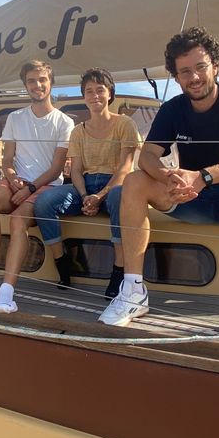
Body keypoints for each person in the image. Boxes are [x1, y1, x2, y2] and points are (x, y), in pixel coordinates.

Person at [100, 26, 219, 350]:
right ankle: (133, 291)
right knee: (134, 181)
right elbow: (148, 155)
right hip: (188, 198)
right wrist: (168, 176)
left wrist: (204, 176)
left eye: (200, 67)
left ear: (215, 66)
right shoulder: (173, 109)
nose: (194, 77)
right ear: (176, 76)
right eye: (185, 71)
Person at [0, 60, 74, 313]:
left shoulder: (64, 122)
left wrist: (30, 189)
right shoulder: (15, 118)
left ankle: (7, 291)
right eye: (31, 81)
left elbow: (56, 169)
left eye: (42, 80)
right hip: (15, 183)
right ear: (25, 85)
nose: (37, 85)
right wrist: (11, 178)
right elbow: (7, 160)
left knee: (17, 221)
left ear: (51, 83)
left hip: (45, 187)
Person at [34, 68, 140, 297]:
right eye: (89, 91)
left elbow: (125, 168)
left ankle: (118, 271)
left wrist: (100, 195)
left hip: (114, 186)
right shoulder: (77, 132)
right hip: (85, 186)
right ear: (84, 96)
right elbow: (77, 170)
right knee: (44, 202)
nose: (95, 96)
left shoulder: (125, 124)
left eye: (100, 90)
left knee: (120, 196)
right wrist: (84, 197)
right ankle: (63, 265)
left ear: (110, 93)